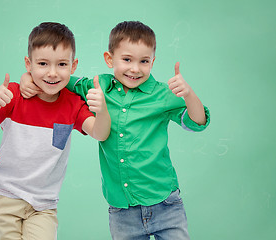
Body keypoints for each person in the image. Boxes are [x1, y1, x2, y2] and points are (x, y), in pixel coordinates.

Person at [20, 21, 210, 240]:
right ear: (110, 59)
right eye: (127, 59)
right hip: (121, 209)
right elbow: (55, 81)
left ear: (152, 62)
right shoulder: (97, 86)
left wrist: (188, 93)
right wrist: (26, 77)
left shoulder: (162, 94)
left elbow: (198, 122)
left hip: (164, 202)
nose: (135, 68)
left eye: (144, 61)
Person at [0, 22, 111, 240]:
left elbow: (100, 134)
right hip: (5, 197)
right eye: (42, 63)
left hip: (43, 205)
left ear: (73, 66)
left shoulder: (72, 104)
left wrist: (103, 110)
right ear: (28, 64)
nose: (52, 73)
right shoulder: (13, 94)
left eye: (61, 64)